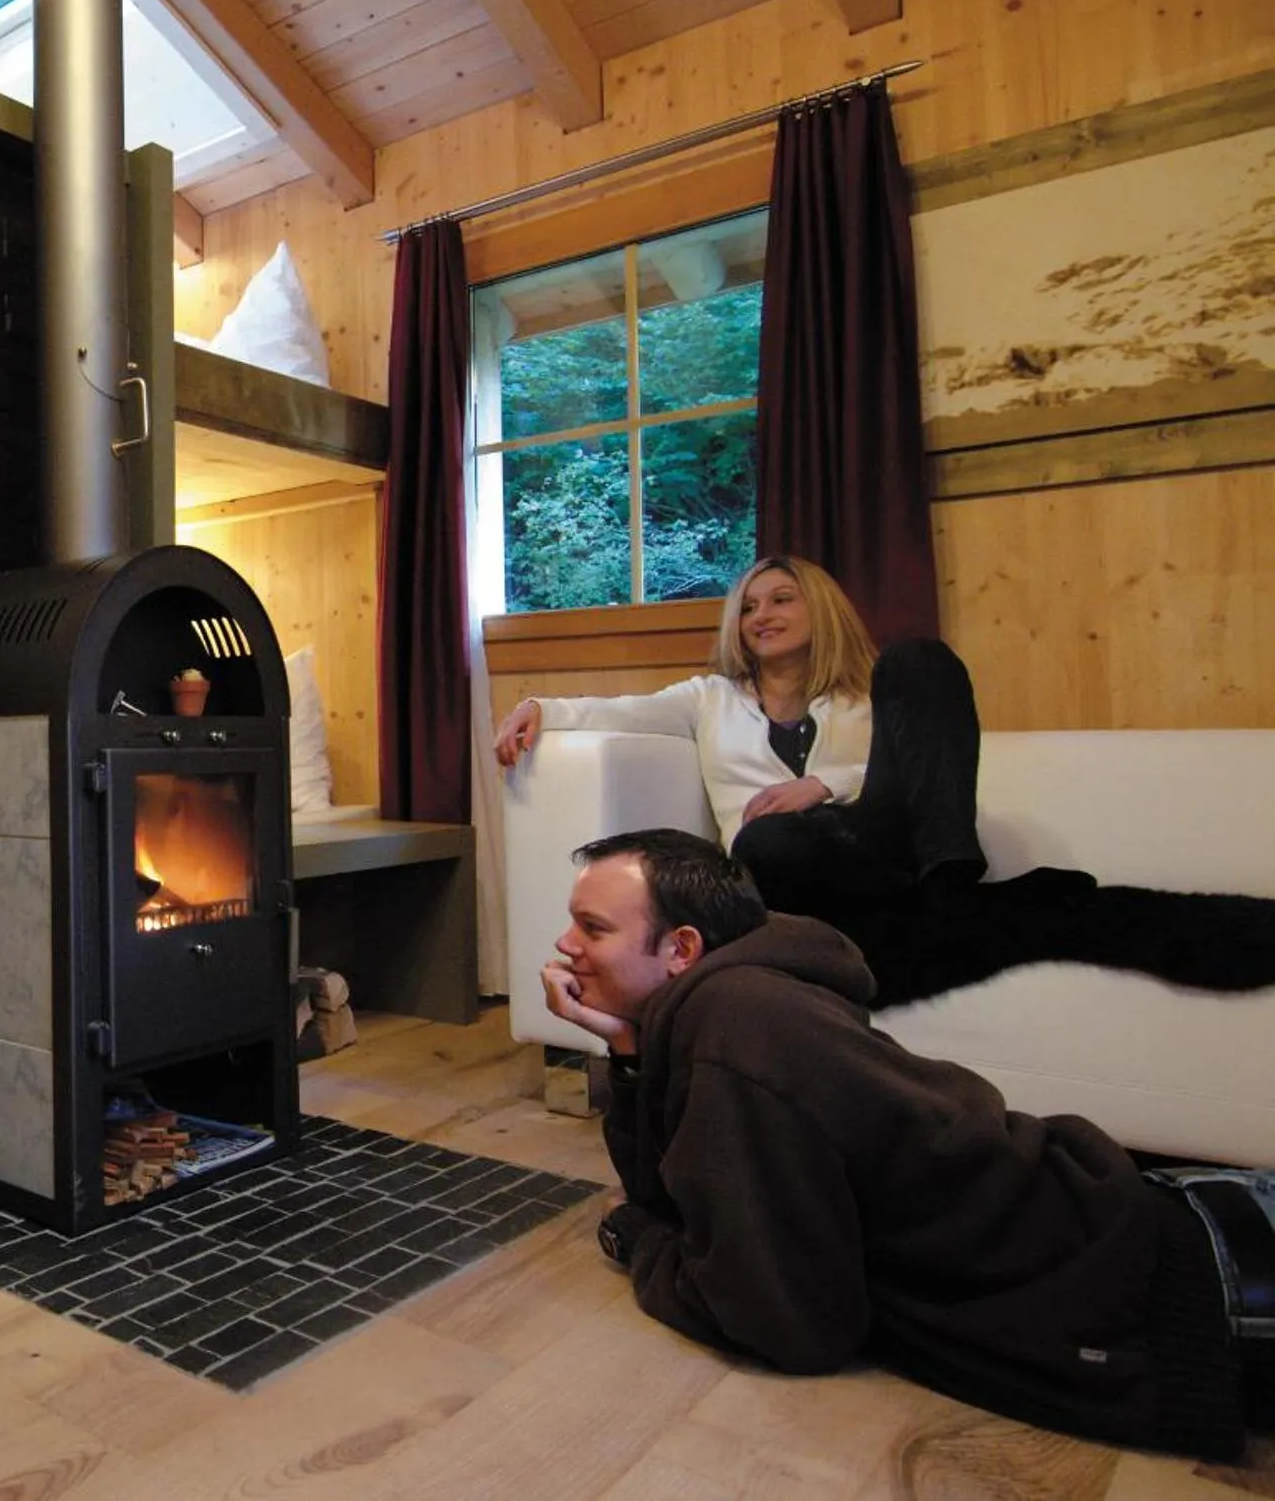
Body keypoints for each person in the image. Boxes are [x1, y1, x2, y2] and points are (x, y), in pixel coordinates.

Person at [542, 827, 1273, 1461]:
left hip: (1185, 1287)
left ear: (682, 948)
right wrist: (631, 1054)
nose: (565, 945)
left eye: (592, 927)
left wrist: (638, 1242)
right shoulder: (734, 1004)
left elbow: (786, 1324)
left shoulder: (739, 1027)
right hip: (1168, 1239)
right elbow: (681, 1197)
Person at [493, 555, 1005, 919]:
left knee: (917, 660)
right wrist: (541, 707)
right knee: (765, 838)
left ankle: (949, 888)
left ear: (821, 610)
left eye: (781, 600)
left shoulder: (867, 696)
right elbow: (626, 710)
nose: (762, 616)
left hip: (873, 851)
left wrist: (828, 784)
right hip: (779, 863)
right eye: (748, 608)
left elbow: (918, 779)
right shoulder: (709, 697)